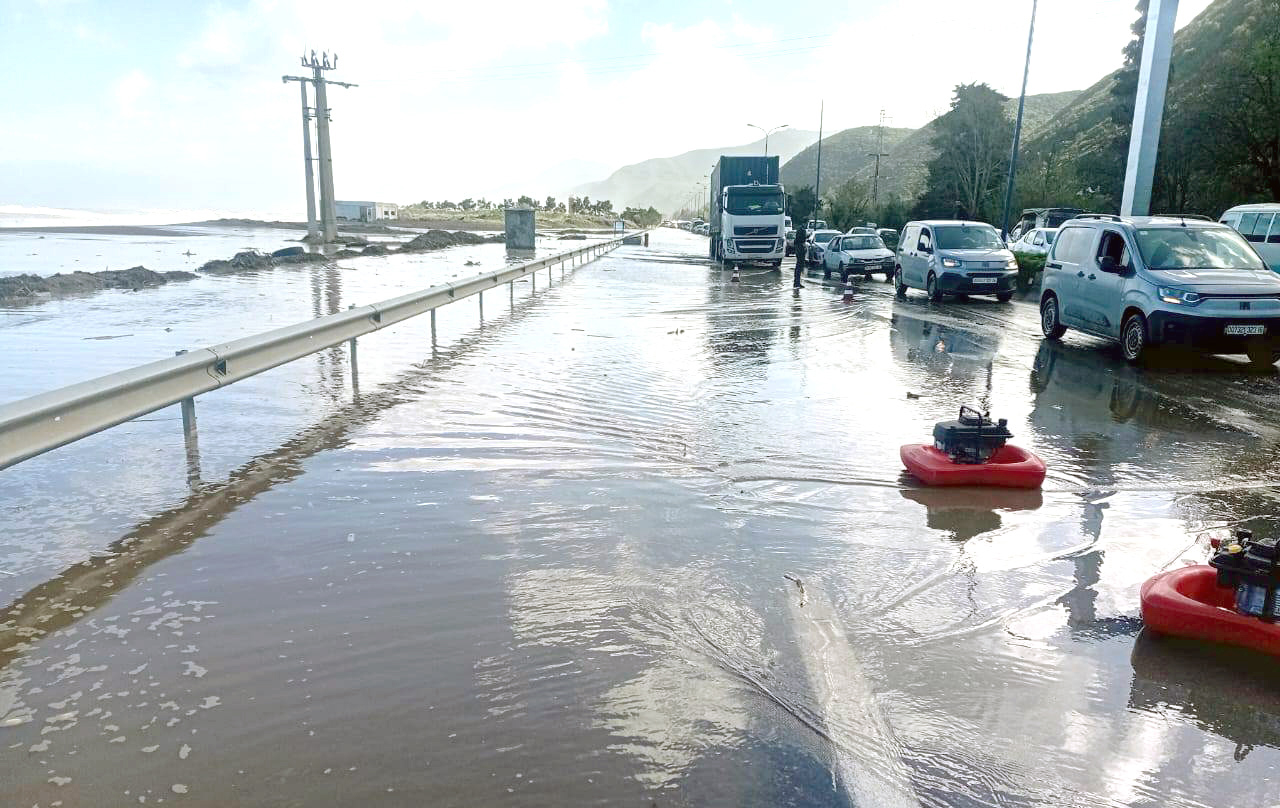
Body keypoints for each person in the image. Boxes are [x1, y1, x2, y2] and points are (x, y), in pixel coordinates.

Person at [792, 225, 808, 289]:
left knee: (798, 267)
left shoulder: (797, 243)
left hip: (799, 251)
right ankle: (797, 283)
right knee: (799, 267)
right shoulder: (800, 244)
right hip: (800, 252)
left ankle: (797, 282)